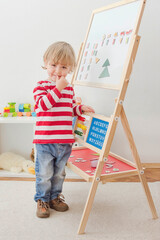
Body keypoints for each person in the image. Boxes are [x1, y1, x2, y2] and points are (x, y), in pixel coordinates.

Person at [33, 41, 95, 218]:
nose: (58, 71)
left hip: (64, 141)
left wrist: (79, 109)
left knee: (59, 174)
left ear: (70, 69)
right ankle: (42, 200)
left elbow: (68, 109)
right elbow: (44, 105)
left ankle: (54, 197)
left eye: (64, 67)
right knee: (44, 174)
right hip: (45, 141)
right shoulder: (41, 86)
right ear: (46, 62)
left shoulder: (69, 90)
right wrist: (58, 88)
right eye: (53, 65)